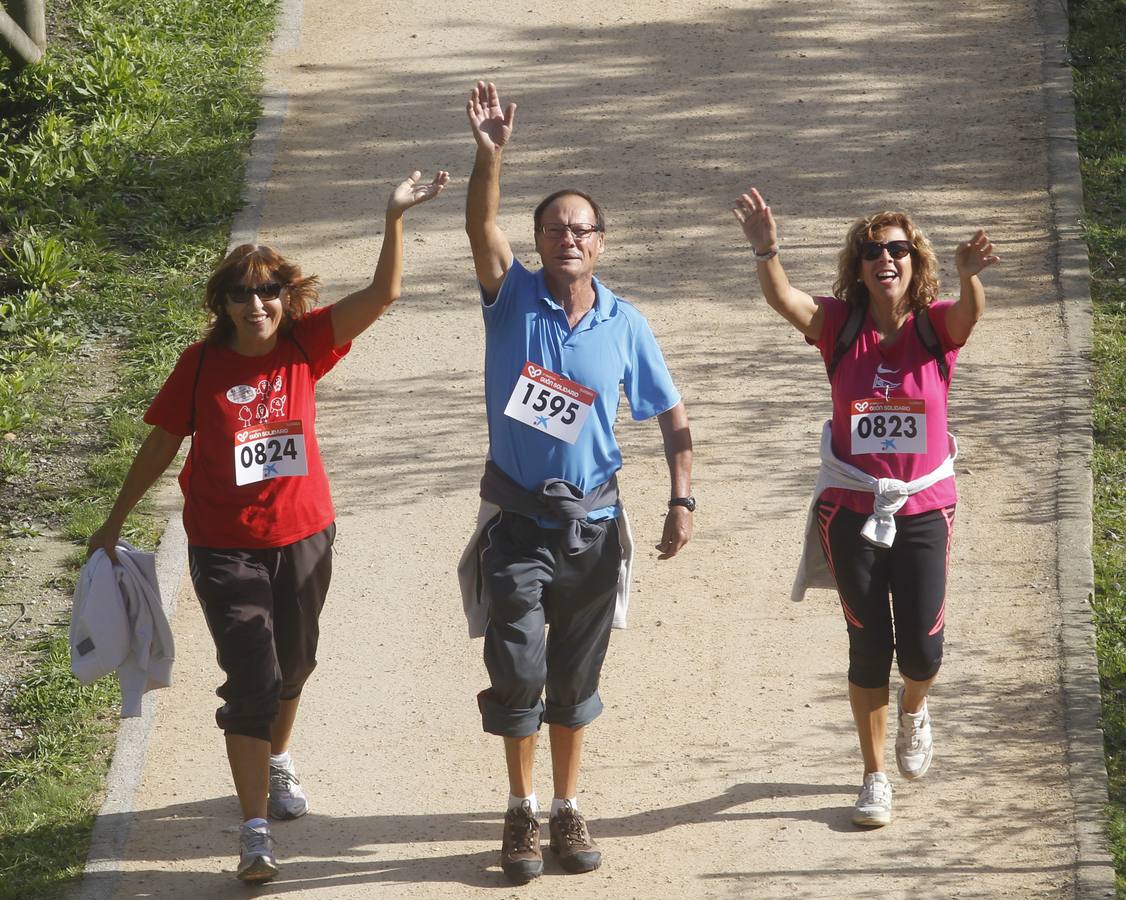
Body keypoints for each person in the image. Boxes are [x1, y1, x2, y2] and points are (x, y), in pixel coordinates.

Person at [87, 170, 448, 882]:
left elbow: (384, 296)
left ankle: (277, 760)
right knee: (252, 672)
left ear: (286, 298)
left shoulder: (306, 347)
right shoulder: (198, 366)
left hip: (306, 534)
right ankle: (254, 833)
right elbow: (161, 443)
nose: (257, 303)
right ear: (221, 303)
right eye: (242, 293)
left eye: (269, 291)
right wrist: (114, 521)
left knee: (296, 664)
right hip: (226, 547)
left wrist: (393, 217)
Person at [459, 81, 693, 883]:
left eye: (583, 228)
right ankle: (519, 810)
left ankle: (565, 807)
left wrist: (681, 495)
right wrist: (490, 155)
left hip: (594, 526)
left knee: (574, 676)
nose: (570, 237)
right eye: (556, 226)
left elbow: (668, 411)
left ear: (601, 244)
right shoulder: (511, 297)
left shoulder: (625, 323)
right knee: (519, 664)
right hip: (519, 524)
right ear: (538, 239)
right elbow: (480, 225)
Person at [732, 187, 998, 828]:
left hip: (925, 506)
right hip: (850, 508)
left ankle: (915, 709)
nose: (886, 258)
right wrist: (767, 248)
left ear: (915, 261)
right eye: (873, 250)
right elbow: (783, 299)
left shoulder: (935, 326)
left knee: (923, 654)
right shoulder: (839, 325)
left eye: (898, 249)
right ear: (858, 266)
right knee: (867, 643)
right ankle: (874, 775)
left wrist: (968, 280)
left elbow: (969, 316)